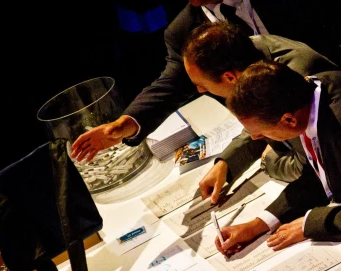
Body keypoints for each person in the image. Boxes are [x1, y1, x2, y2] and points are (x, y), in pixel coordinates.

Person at [215, 60, 341, 254]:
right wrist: (259, 225)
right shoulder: (305, 98)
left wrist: (310, 224)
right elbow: (317, 175)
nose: (255, 138)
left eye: (261, 132)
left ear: (289, 120)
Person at [70, 1, 261, 163]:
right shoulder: (182, 30)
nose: (201, 90)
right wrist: (124, 124)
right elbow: (173, 84)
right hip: (265, 130)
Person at [181, 21, 338, 205]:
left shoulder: (290, 79)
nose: (200, 90)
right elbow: (259, 123)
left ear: (230, 77)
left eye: (203, 85)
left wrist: (269, 163)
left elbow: (312, 169)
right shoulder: (248, 54)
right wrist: (227, 163)